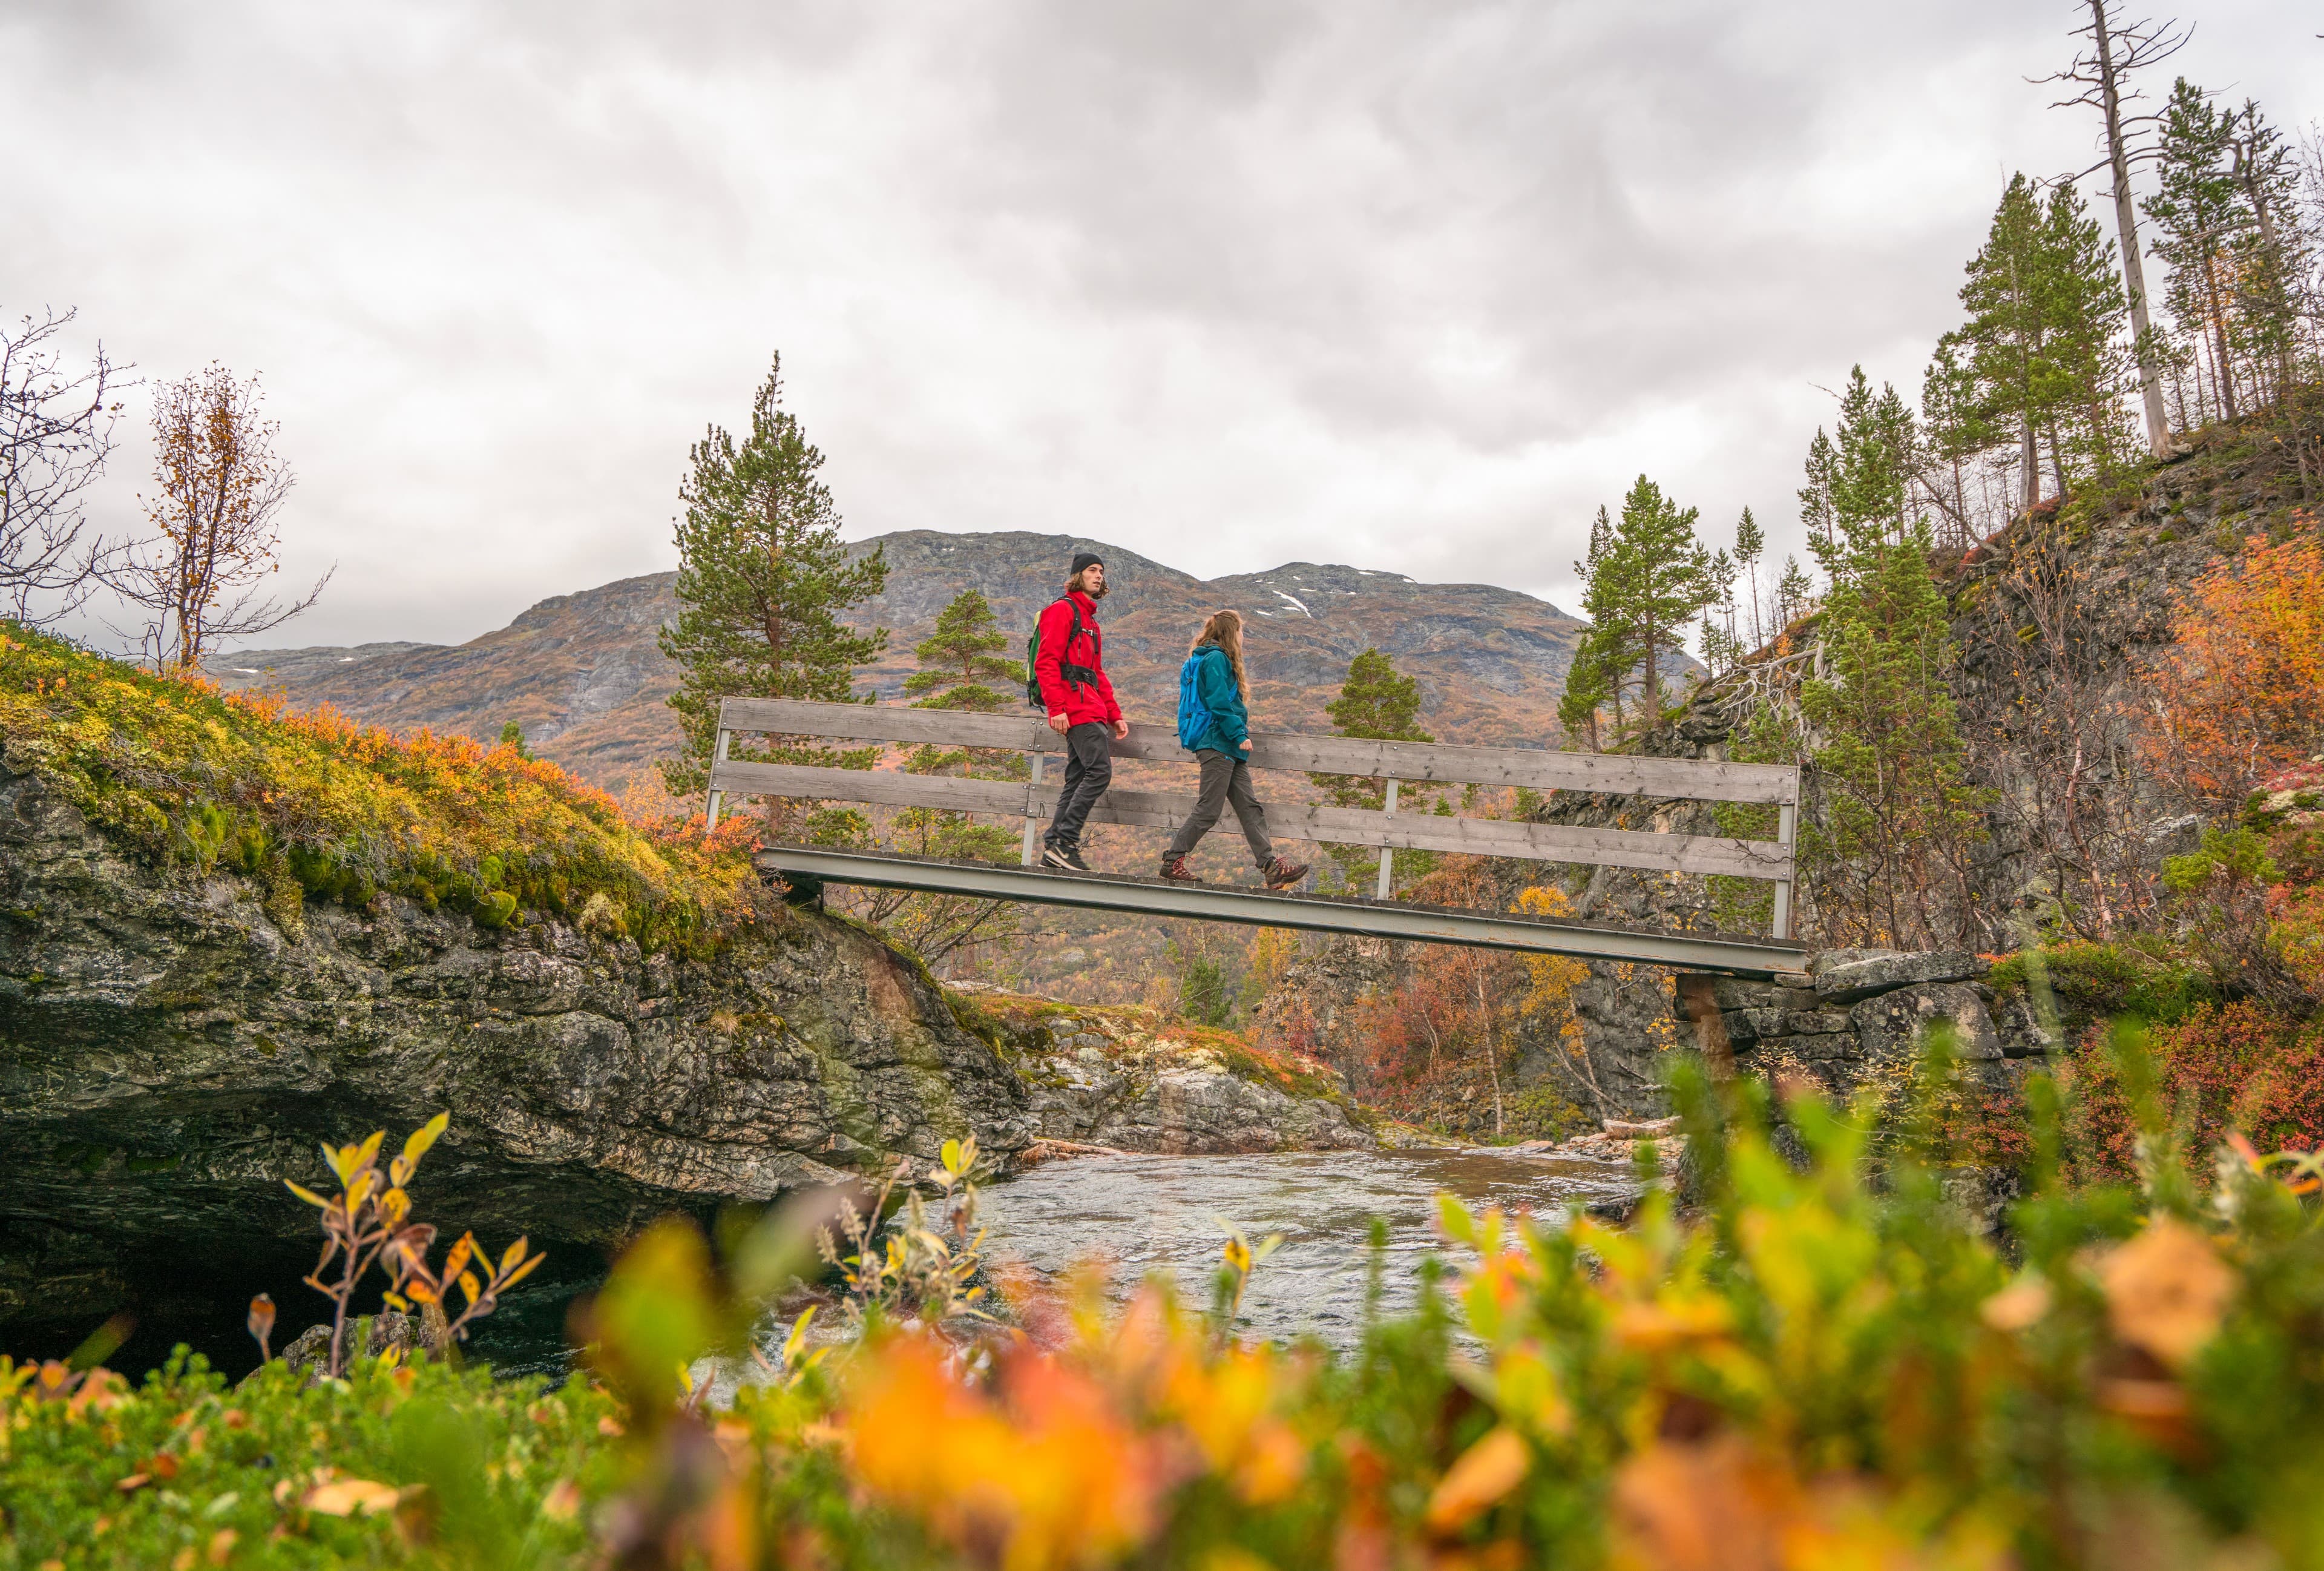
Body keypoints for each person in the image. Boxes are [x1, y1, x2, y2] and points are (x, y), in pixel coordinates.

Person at [1159, 610, 1309, 889]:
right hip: (1218, 743)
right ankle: (1172, 861)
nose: (1244, 636)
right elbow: (1218, 702)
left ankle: (1271, 869)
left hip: (1227, 746)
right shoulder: (1216, 659)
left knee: (1250, 808)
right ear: (1231, 633)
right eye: (1241, 630)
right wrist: (1239, 734)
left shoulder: (1214, 657)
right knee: (1209, 809)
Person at [1033, 552, 1128, 870]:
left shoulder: (1091, 623)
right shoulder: (1062, 611)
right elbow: (1045, 662)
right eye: (1092, 570)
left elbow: (1096, 672)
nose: (1099, 575)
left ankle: (1054, 847)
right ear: (1078, 576)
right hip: (1075, 708)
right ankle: (1065, 842)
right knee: (1099, 772)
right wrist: (1056, 709)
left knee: (1076, 778)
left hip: (1092, 707)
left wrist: (1114, 713)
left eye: (1101, 571)